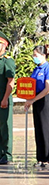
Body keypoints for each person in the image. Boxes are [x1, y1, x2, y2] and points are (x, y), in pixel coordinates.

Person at [24, 45, 49, 167]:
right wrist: (28, 100)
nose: (34, 58)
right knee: (38, 128)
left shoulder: (48, 69)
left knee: (47, 129)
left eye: (36, 55)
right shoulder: (36, 69)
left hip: (45, 100)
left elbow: (47, 89)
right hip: (36, 100)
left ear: (43, 55)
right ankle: (41, 158)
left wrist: (33, 100)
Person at [0, 32, 12, 165]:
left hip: (3, 99)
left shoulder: (7, 61)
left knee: (5, 128)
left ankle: (7, 155)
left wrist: (5, 99)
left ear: (4, 45)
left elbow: (10, 82)